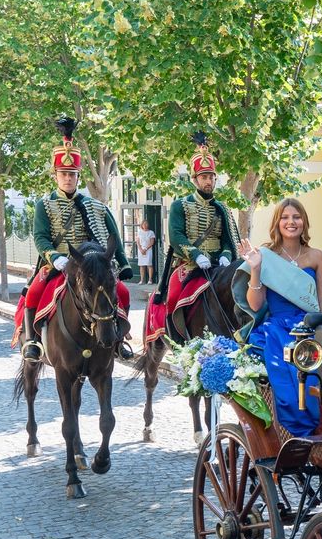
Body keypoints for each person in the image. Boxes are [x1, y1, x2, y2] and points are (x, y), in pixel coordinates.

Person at [17, 117, 133, 361]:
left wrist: (122, 265)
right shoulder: (45, 205)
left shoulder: (94, 206)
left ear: (78, 177)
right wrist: (55, 258)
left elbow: (113, 235)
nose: (68, 178)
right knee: (34, 293)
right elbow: (40, 237)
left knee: (121, 291)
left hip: (88, 265)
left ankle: (118, 339)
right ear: (56, 176)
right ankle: (32, 341)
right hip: (58, 263)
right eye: (63, 174)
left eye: (72, 174)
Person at [238, 199, 322, 437]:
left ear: (304, 222)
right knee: (290, 385)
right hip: (278, 331)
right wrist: (256, 268)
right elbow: (255, 304)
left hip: (310, 328)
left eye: (296, 217)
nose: (291, 222)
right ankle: (295, 434)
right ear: (277, 222)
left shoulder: (317, 256)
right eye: (285, 217)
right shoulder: (265, 256)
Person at [154, 132, 242, 307]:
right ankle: (172, 331)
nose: (208, 181)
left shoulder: (222, 208)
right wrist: (197, 255)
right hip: (189, 263)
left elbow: (227, 240)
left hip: (219, 264)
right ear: (194, 180)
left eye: (211, 177)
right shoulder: (180, 205)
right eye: (204, 177)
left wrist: (226, 255)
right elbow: (176, 236)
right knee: (172, 297)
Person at [136, 219, 156, 284]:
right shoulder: (139, 232)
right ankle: (142, 280)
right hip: (141, 250)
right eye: (144, 224)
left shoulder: (151, 232)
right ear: (142, 225)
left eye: (146, 224)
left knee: (149, 264)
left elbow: (152, 242)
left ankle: (150, 280)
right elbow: (138, 242)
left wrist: (146, 249)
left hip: (148, 250)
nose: (145, 225)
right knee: (141, 265)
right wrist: (141, 249)